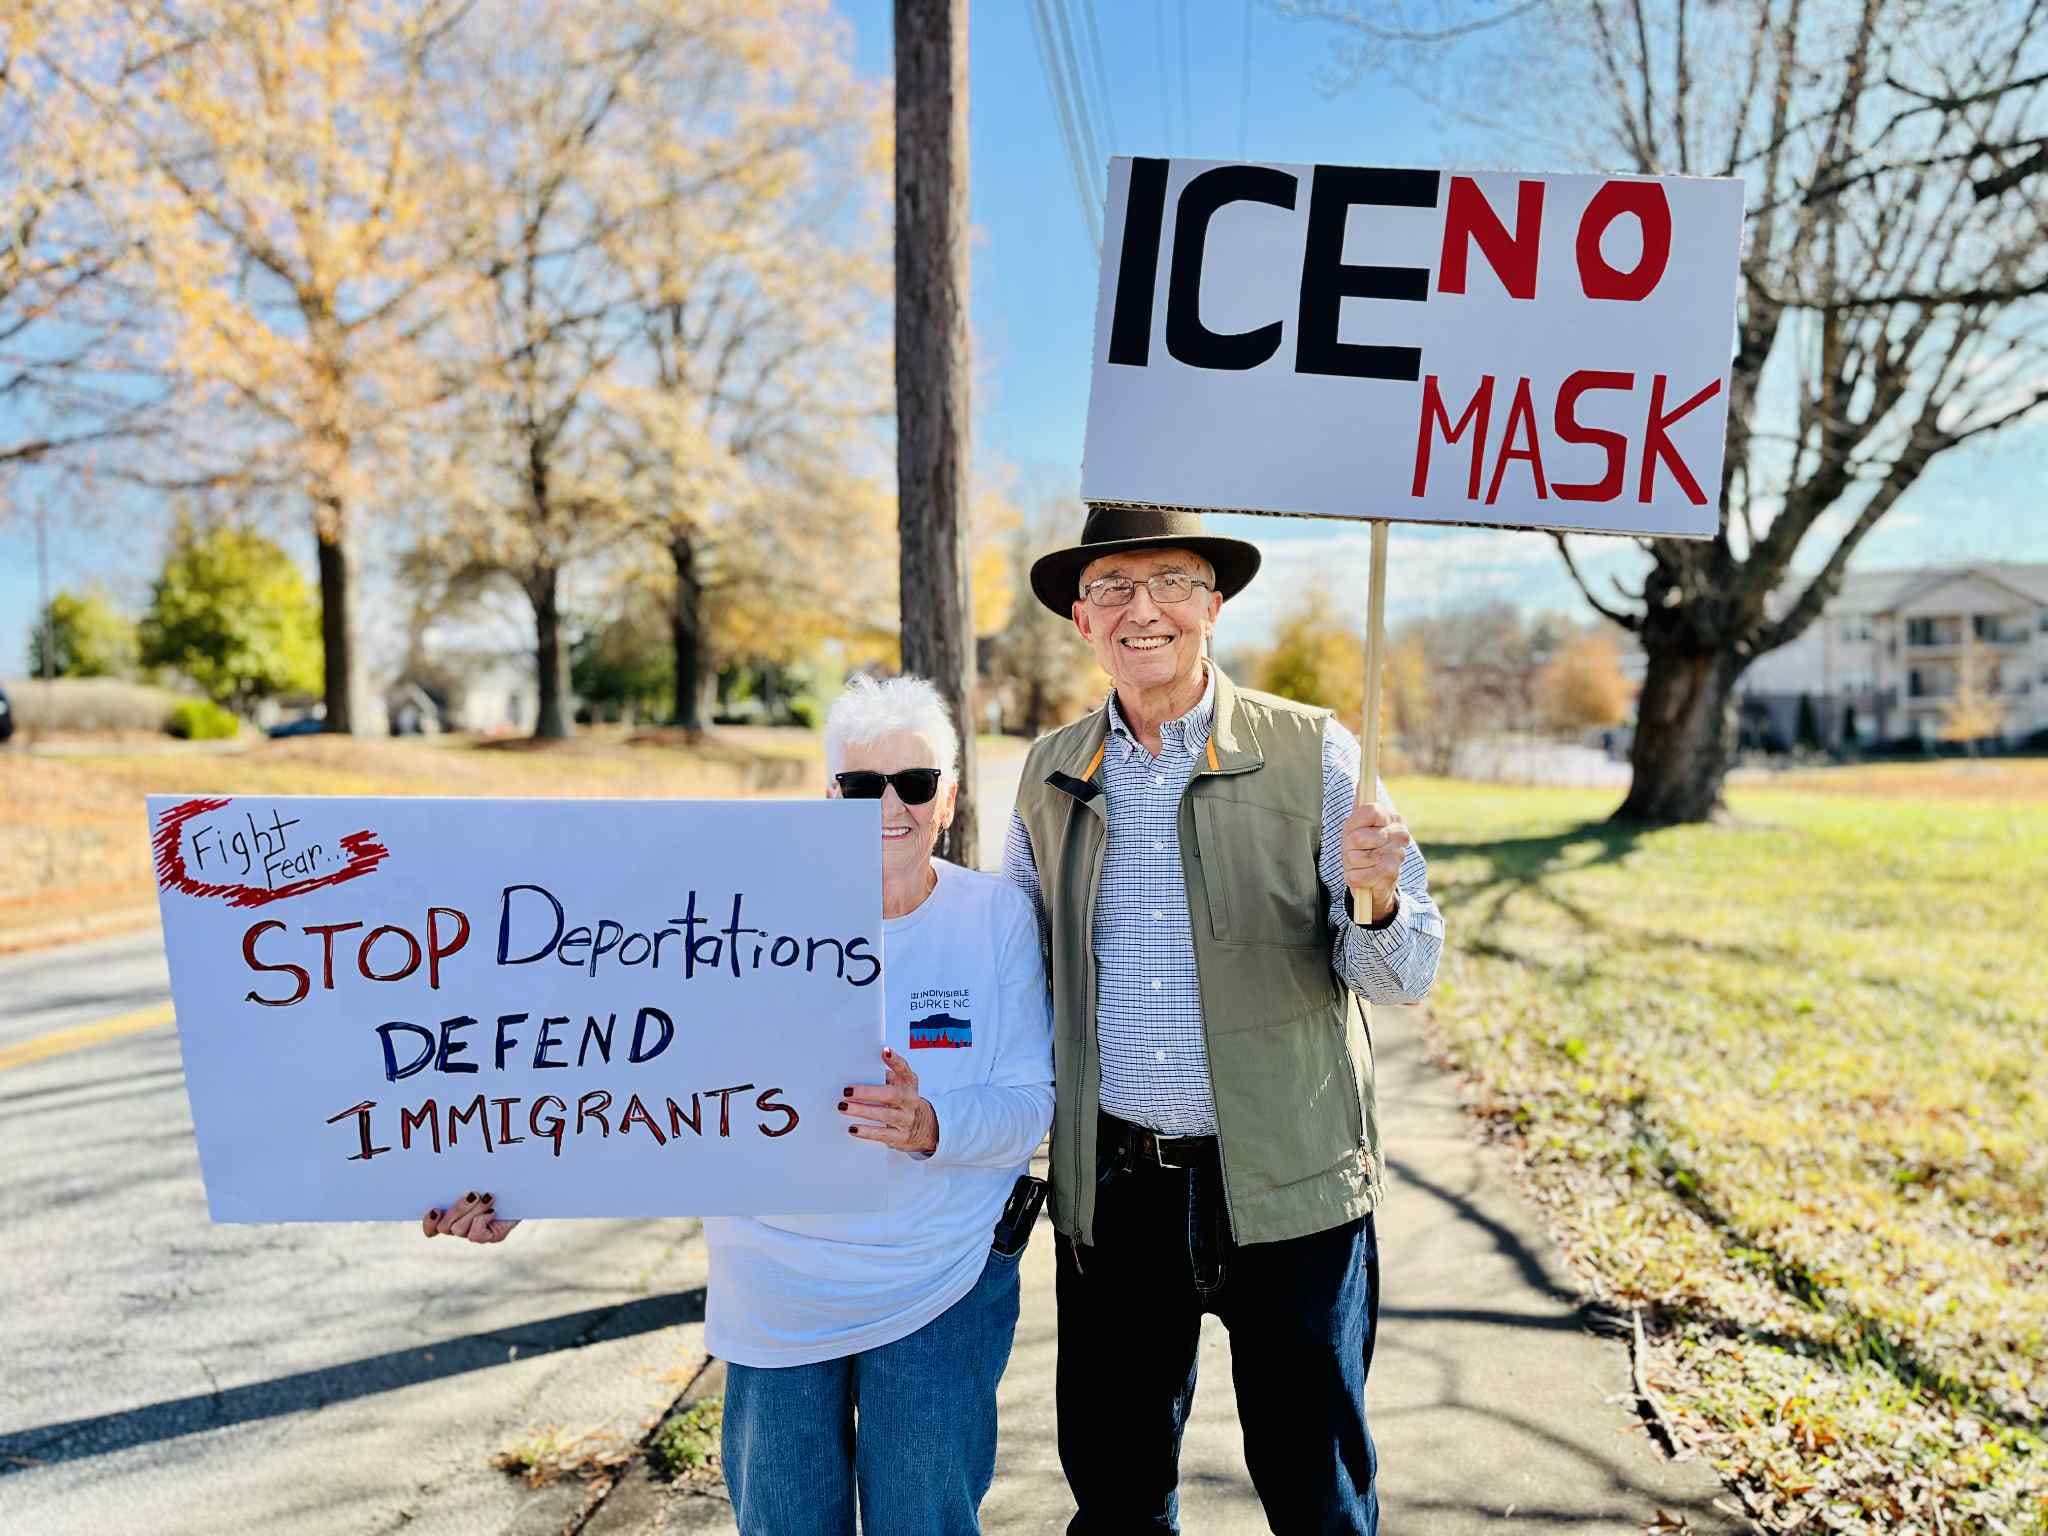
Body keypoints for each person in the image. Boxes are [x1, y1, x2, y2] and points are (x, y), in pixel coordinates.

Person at [423, 674, 1054, 1536]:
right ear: (827, 799)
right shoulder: (737, 925)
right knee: (784, 1521)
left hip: (939, 1278)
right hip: (777, 1285)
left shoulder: (996, 918)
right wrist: (517, 1189)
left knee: (925, 1520)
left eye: (914, 783)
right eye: (862, 786)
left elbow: (1028, 1102)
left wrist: (929, 1124)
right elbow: (641, 1082)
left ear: (947, 798)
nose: (889, 807)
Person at [1000, 506, 1445, 1536]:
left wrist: (1378, 898)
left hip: (1291, 1189)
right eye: (1112, 587)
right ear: (1081, 619)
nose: (1141, 609)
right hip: (1115, 1195)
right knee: (1116, 1498)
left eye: (1170, 582)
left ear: (1213, 605)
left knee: (1317, 1494)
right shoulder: (1050, 772)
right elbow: (1013, 969)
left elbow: (1401, 976)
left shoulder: (1314, 752)